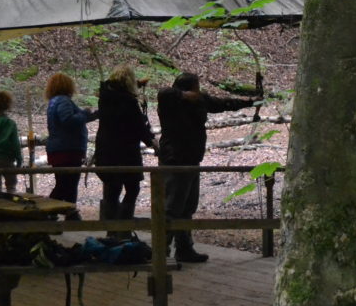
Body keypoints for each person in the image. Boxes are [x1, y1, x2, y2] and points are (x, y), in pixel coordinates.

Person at [156, 72, 259, 262]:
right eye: (196, 86)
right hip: (175, 161)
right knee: (172, 207)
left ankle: (184, 249)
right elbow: (164, 92)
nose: (199, 89)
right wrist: (184, 95)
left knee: (187, 206)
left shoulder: (200, 101)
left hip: (192, 159)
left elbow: (222, 103)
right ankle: (161, 251)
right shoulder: (170, 101)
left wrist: (250, 102)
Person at [95, 66, 158, 234]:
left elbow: (119, 89)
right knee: (132, 189)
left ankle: (111, 231)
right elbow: (138, 127)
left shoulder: (105, 97)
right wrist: (153, 143)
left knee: (112, 191)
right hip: (125, 152)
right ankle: (123, 228)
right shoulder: (128, 101)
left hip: (105, 151)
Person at [44, 72, 97, 218]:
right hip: (67, 150)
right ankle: (51, 214)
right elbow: (68, 120)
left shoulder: (54, 101)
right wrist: (85, 114)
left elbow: (74, 119)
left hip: (59, 149)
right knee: (66, 184)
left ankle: (68, 214)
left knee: (66, 183)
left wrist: (93, 115)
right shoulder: (63, 101)